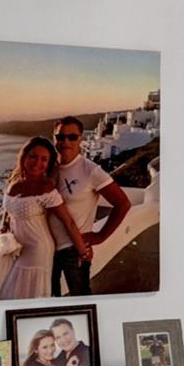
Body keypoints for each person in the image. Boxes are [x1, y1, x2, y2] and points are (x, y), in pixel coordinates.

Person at [0, 136, 93, 300]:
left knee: (26, 295)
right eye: (33, 156)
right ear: (24, 157)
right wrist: (4, 225)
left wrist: (83, 252)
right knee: (14, 291)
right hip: (17, 247)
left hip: (37, 249)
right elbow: (9, 208)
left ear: (49, 164)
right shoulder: (15, 181)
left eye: (44, 159)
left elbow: (68, 221)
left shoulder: (46, 189)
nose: (37, 163)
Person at [47, 117, 131, 297]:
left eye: (72, 137)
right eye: (60, 137)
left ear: (81, 139)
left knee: (80, 297)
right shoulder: (49, 167)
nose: (65, 142)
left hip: (74, 249)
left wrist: (100, 236)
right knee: (50, 298)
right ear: (54, 138)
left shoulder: (90, 170)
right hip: (46, 247)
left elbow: (123, 203)